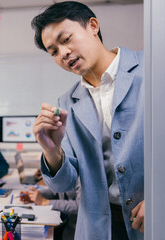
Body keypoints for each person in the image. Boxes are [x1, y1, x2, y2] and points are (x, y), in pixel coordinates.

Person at [31, 1, 144, 240]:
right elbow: (65, 185)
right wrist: (52, 151)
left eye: (66, 39)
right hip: (99, 228)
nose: (63, 53)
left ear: (93, 26)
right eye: (53, 51)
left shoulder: (152, 68)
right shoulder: (68, 102)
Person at [20, 175, 81, 240]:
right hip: (67, 226)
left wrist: (45, 202)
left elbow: (79, 207)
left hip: (76, 231)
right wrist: (35, 196)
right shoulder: (68, 170)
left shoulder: (83, 174)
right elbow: (57, 191)